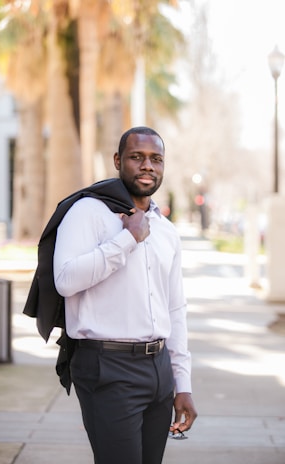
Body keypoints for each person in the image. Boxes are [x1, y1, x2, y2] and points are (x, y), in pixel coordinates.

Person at [53, 126, 197, 464]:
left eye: (156, 159)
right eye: (137, 157)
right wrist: (127, 240)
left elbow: (175, 308)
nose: (148, 165)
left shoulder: (166, 230)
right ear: (118, 161)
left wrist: (182, 383)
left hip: (159, 370)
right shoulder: (87, 212)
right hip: (108, 366)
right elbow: (65, 280)